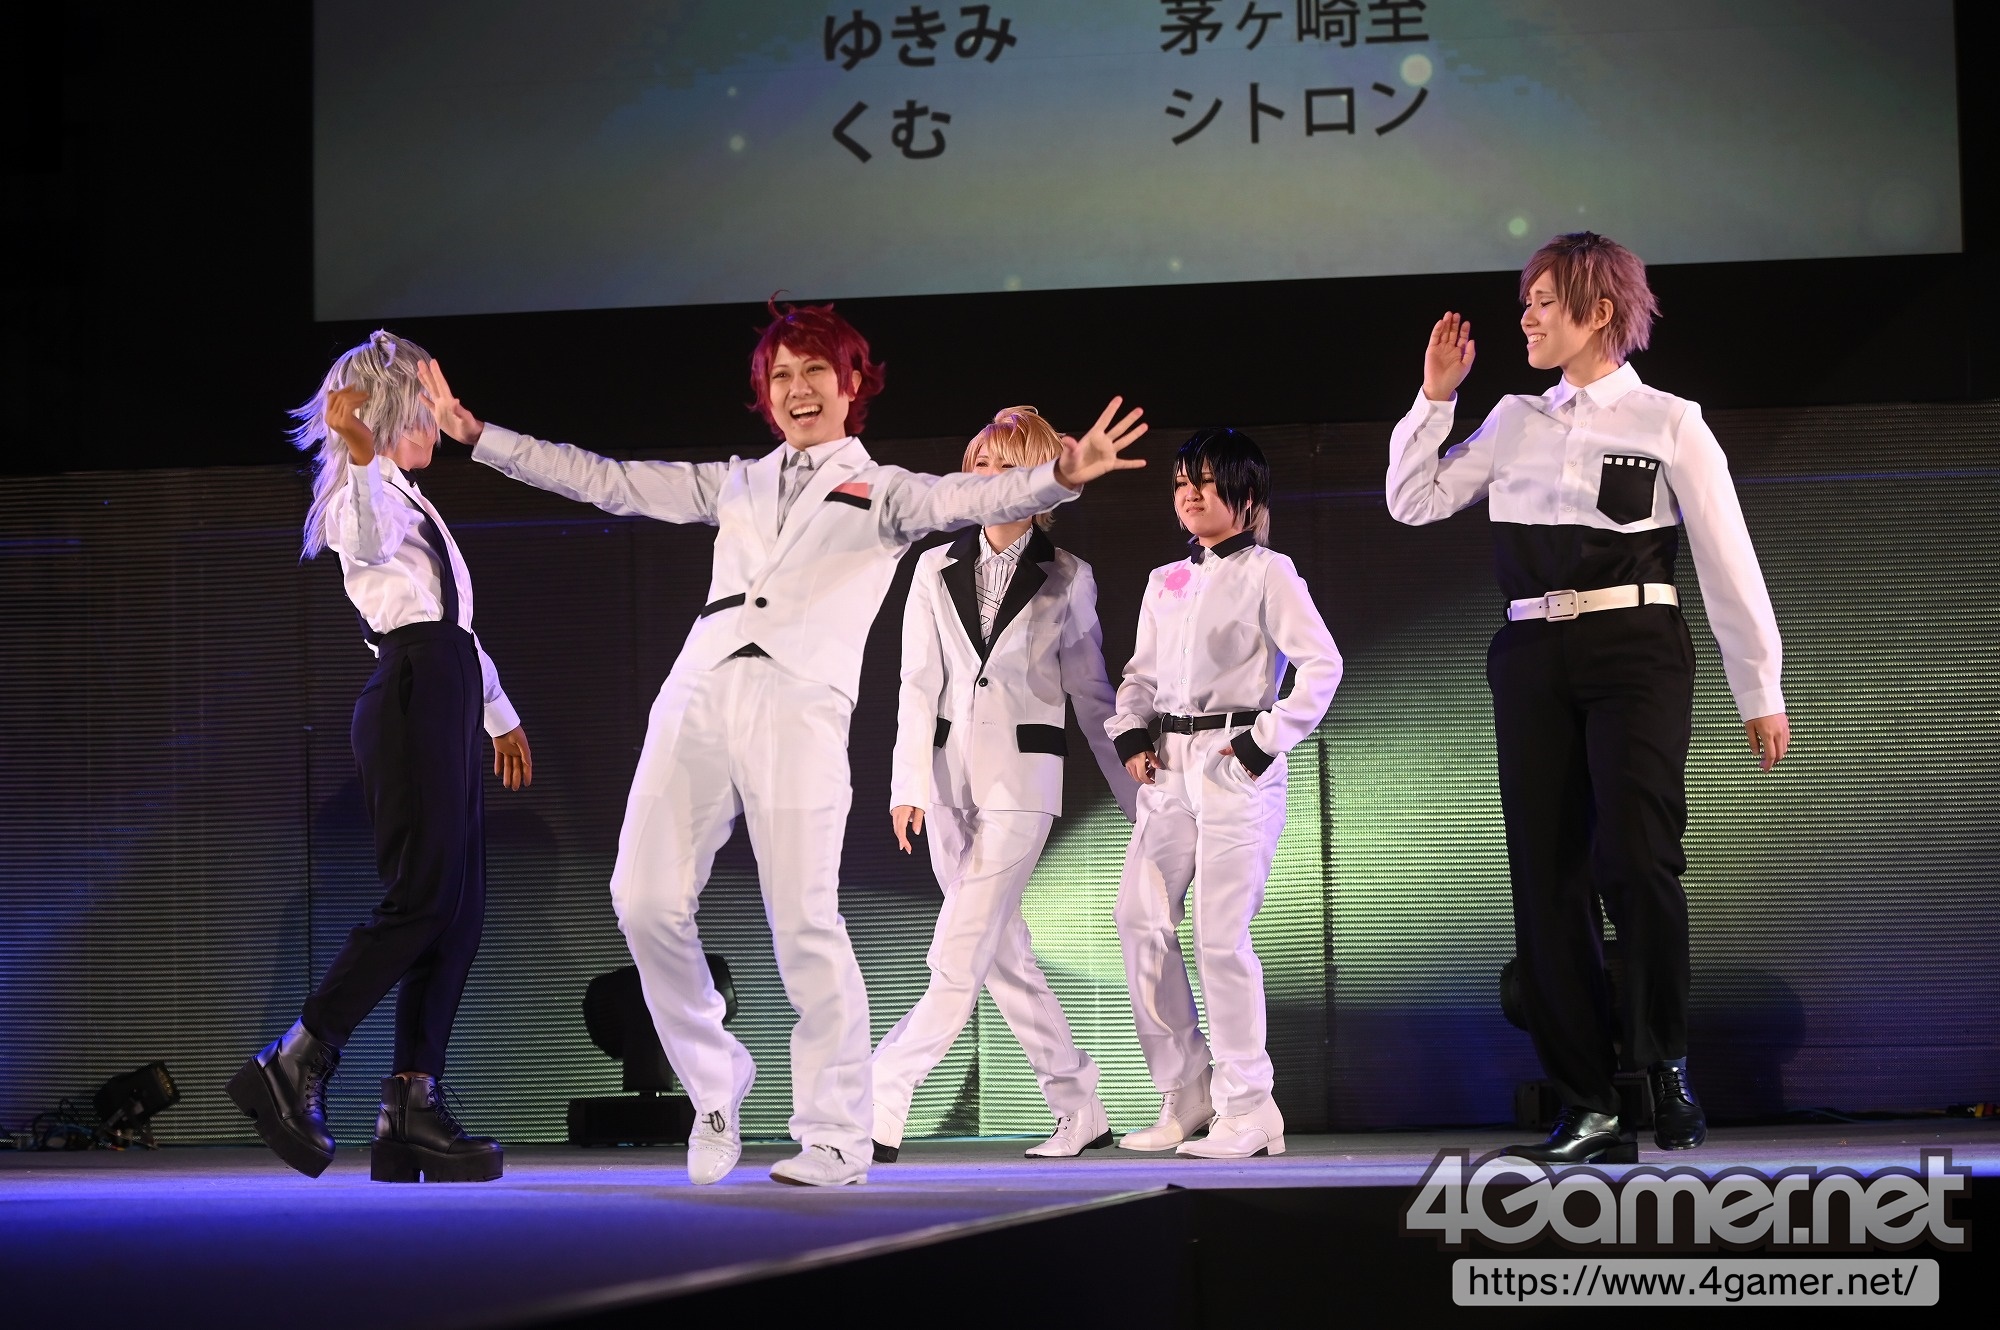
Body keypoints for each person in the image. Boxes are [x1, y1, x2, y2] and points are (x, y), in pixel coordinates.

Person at [422, 301, 1147, 1186]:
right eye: (781, 376)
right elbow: (608, 479)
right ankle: (715, 1078)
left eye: (815, 372)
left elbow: (974, 495)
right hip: (699, 690)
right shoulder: (736, 482)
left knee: (804, 918)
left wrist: (1059, 476)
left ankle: (836, 1133)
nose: (797, 389)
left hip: (803, 704)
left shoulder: (885, 492)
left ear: (852, 385)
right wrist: (478, 436)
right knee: (640, 899)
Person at [1386, 232, 1790, 1164]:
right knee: (1548, 876)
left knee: (1638, 859)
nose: (1525, 318)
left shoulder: (1670, 420)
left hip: (1636, 646)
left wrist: (1759, 688)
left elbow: (1728, 558)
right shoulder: (1513, 418)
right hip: (1532, 652)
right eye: (1524, 302)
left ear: (1598, 311)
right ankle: (1589, 1102)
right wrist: (1435, 398)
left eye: (1542, 301)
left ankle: (1665, 1064)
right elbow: (1413, 500)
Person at [227, 331, 532, 1183]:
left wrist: (498, 715)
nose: (434, 422)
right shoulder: (360, 494)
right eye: (422, 408)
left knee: (458, 911)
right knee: (422, 897)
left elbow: (452, 625)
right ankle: (295, 1058)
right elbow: (365, 548)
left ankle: (410, 1106)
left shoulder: (409, 496)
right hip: (411, 691)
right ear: (385, 414)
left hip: (446, 684)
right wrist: (360, 453)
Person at [873, 407, 1138, 1164]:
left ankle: (879, 1096)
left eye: (1003, 465)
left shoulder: (1068, 575)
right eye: (978, 464)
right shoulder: (933, 567)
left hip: (1024, 781)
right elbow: (916, 683)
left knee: (960, 946)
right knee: (1000, 955)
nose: (985, 477)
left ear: (1037, 479)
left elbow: (1092, 695)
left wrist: (1137, 799)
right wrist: (906, 783)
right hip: (946, 779)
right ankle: (1079, 1104)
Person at [1108, 428, 1342, 1160]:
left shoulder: (1271, 572)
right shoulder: (1165, 580)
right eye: (1183, 481)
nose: (1191, 493)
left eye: (1207, 481)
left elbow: (1322, 664)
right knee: (1138, 917)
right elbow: (1140, 676)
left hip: (1233, 761)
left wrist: (1263, 741)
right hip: (1168, 766)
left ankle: (1250, 1106)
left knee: (1220, 936)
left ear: (1246, 494)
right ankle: (1187, 1089)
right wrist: (1132, 734)